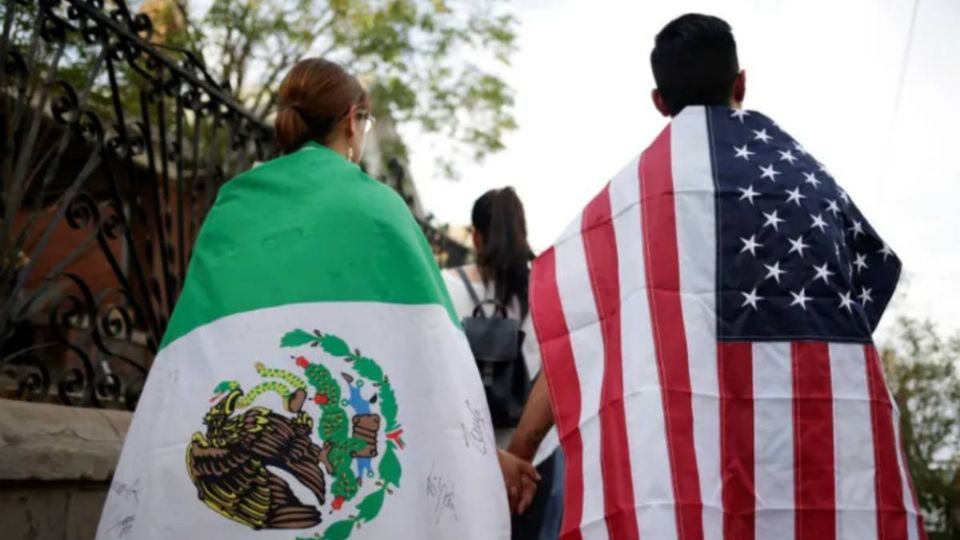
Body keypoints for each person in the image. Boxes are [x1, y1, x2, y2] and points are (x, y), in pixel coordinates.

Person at [511, 14, 926, 540]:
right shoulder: (808, 182)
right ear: (741, 83)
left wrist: (521, 449)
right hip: (816, 453)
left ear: (659, 102)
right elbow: (874, 271)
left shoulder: (629, 204)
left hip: (680, 465)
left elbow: (575, 330)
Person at [96, 58, 536, 540]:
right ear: (352, 121)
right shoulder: (381, 211)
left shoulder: (232, 207)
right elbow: (428, 379)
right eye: (364, 123)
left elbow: (198, 357)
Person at [442, 187, 562, 539]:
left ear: (476, 236)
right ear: (522, 233)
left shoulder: (444, 287)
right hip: (533, 456)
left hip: (465, 451)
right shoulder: (548, 291)